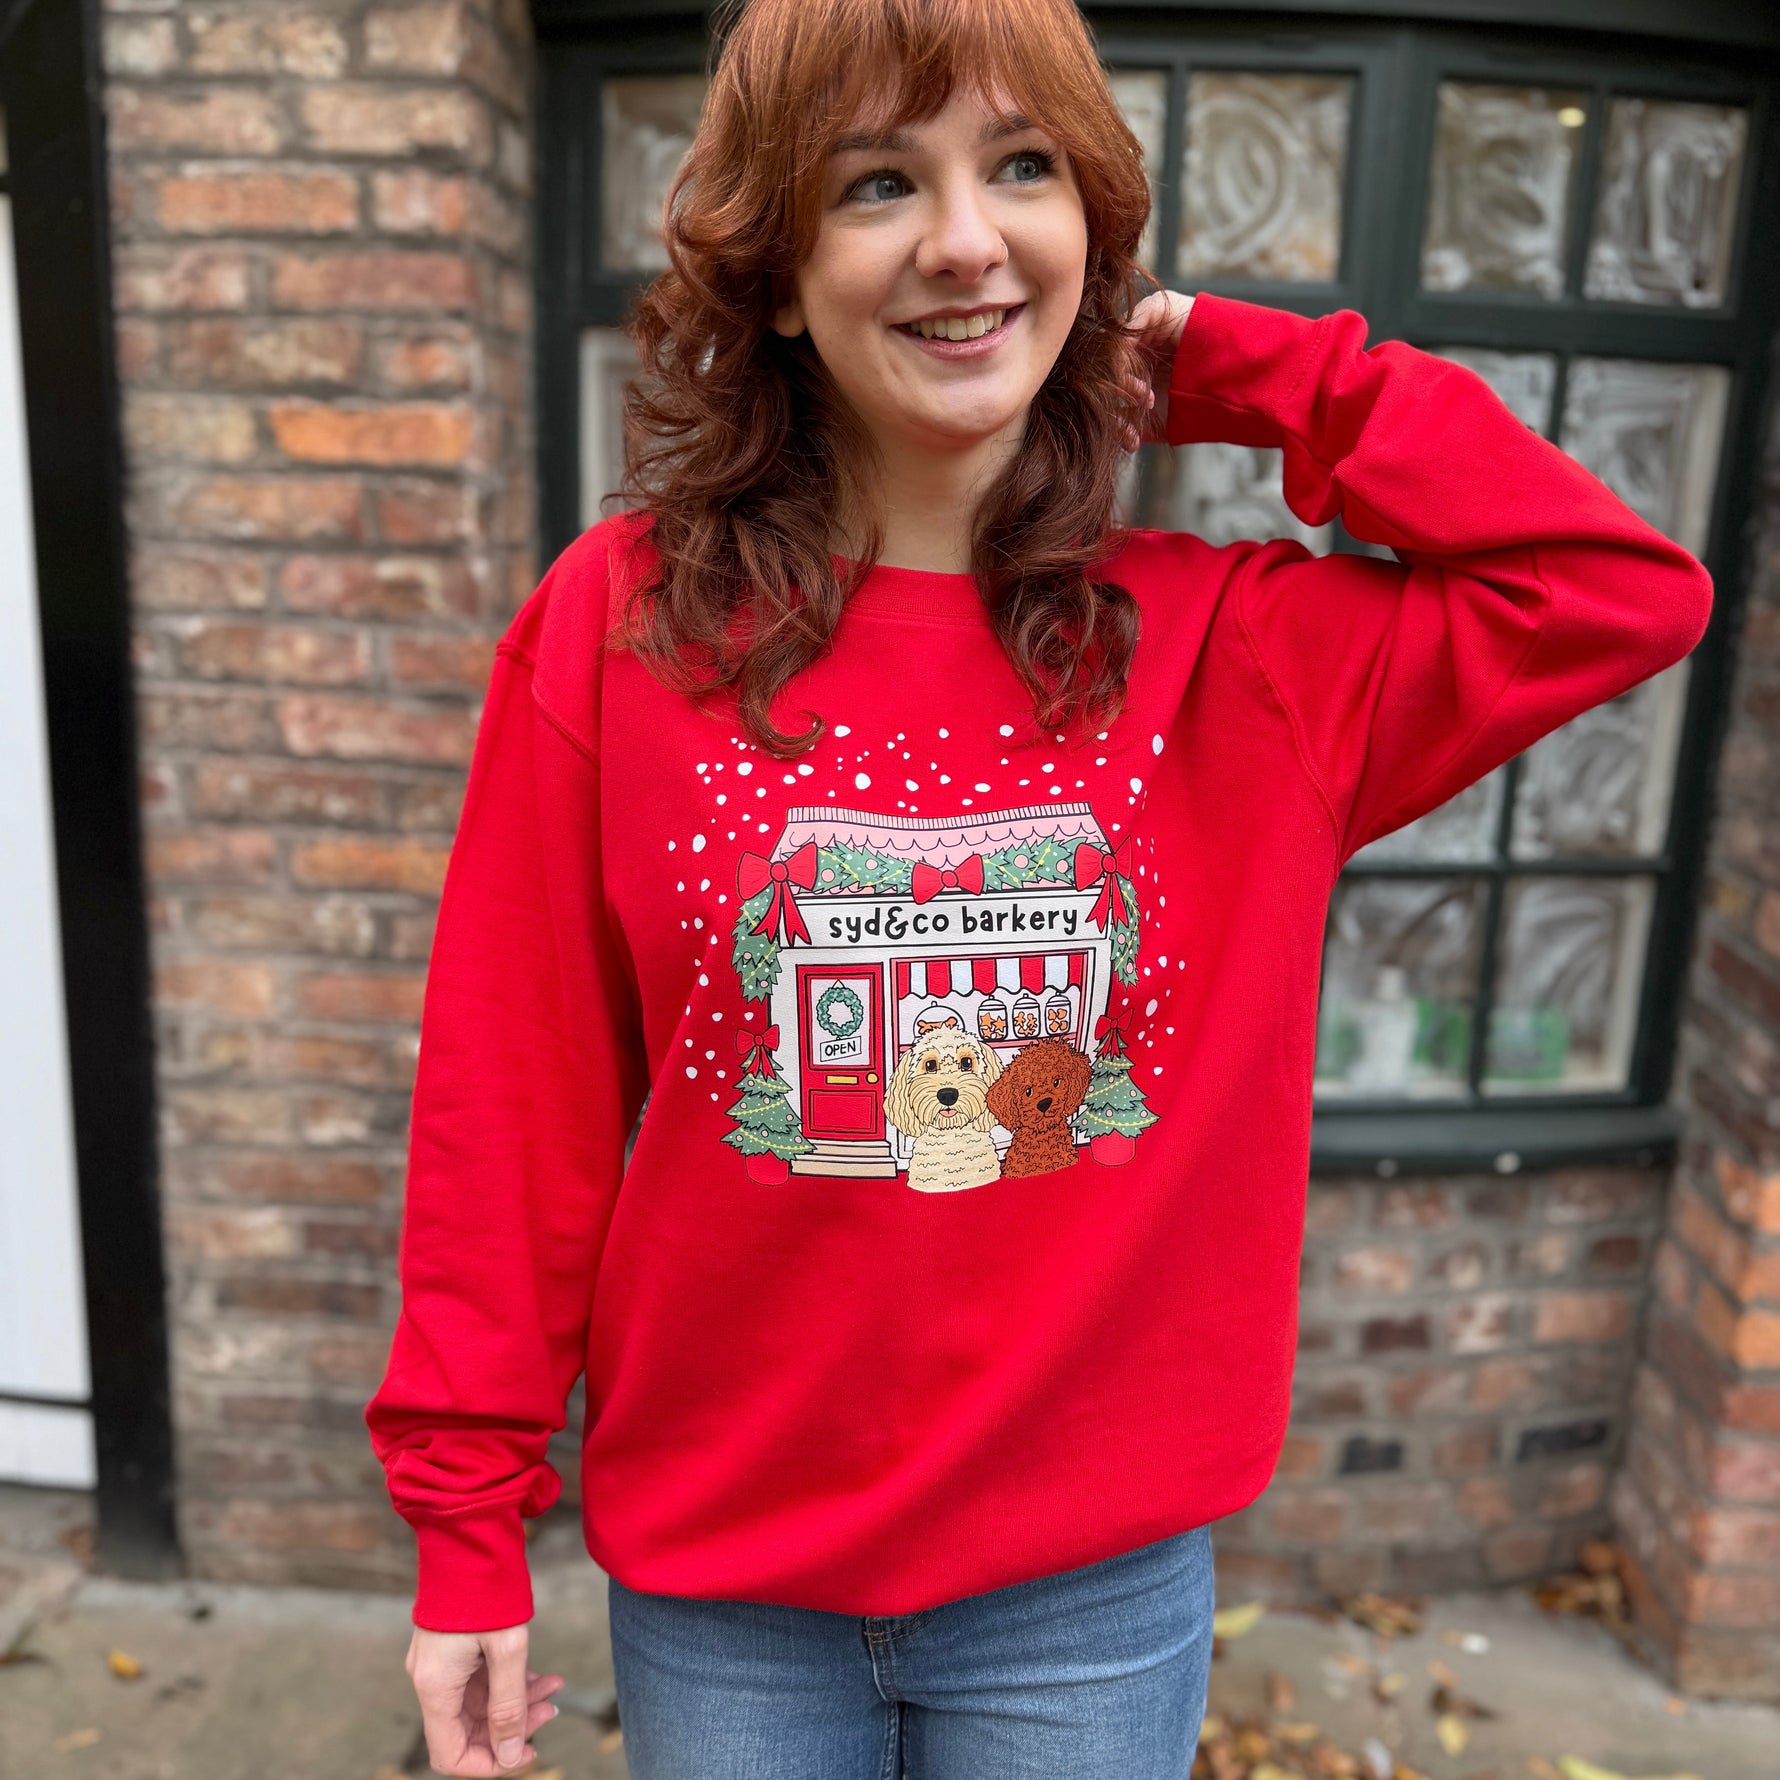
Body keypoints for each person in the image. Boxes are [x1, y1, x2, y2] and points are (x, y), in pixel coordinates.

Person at [365, 0, 1715, 1774]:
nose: (964, 240)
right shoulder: (625, 629)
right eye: (876, 183)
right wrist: (469, 1529)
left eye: (1022, 168)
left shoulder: (1240, 655)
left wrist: (1242, 371)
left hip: (1083, 1603)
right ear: (777, 271)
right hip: (726, 1593)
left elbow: (1615, 590)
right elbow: (510, 1104)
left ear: (1091, 229)